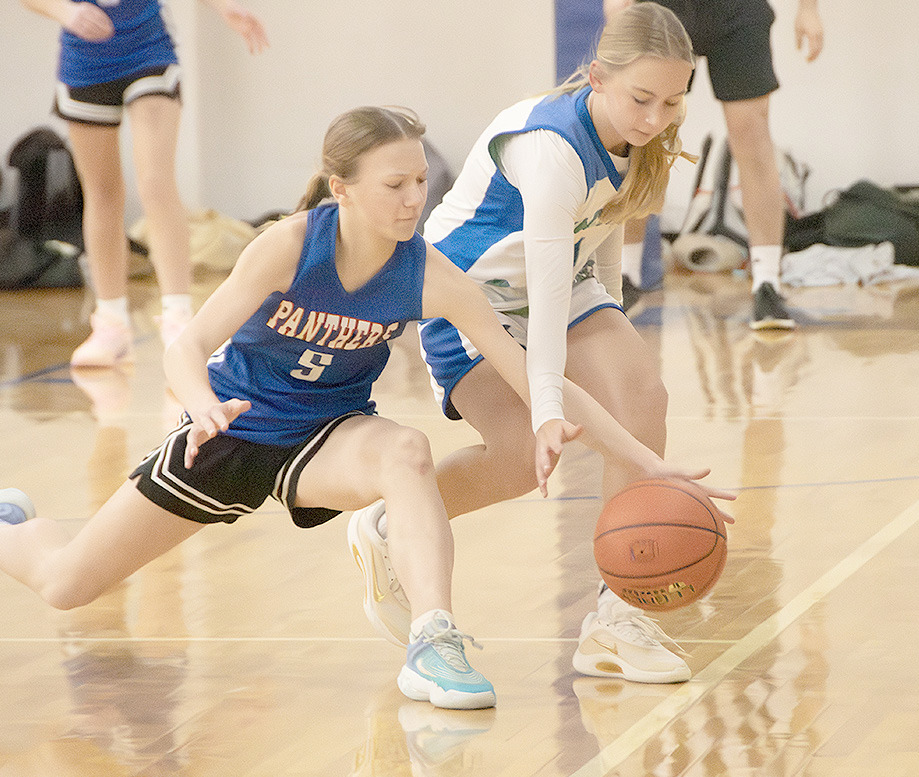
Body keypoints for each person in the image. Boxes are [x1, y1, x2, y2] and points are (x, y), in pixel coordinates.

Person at [0, 106, 606, 711]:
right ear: (342, 188)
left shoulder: (427, 273)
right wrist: (202, 405)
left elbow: (526, 367)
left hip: (327, 438)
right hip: (233, 428)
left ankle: (433, 641)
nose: (413, 199)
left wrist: (582, 433)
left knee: (406, 451)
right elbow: (186, 346)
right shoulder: (288, 246)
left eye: (421, 181)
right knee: (65, 584)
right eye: (395, 184)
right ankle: (14, 527)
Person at [347, 3, 736, 685]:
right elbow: (547, 300)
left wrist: (613, 335)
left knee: (643, 395)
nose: (655, 117)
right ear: (598, 78)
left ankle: (616, 617)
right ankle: (388, 524)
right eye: (641, 98)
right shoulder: (551, 147)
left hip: (559, 286)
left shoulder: (640, 136)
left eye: (672, 101)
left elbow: (600, 248)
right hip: (470, 299)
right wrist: (549, 409)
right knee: (522, 459)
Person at [20, 0, 269, 366]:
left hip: (148, 52)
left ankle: (178, 318)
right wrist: (66, 13)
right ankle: (111, 324)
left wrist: (224, 7)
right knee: (101, 193)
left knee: (155, 183)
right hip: (84, 63)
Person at [605, 0, 824, 329]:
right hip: (664, 7)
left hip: (736, 9)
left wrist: (808, 8)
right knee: (646, 136)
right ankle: (626, 274)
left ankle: (767, 282)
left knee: (751, 136)